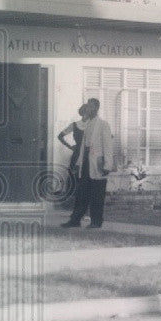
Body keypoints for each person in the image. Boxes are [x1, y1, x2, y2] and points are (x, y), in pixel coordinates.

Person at [61, 98, 114, 229]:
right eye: (87, 106)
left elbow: (108, 146)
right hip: (85, 163)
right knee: (81, 193)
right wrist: (78, 163)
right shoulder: (87, 125)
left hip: (98, 164)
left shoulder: (103, 125)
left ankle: (96, 222)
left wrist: (107, 165)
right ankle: (75, 220)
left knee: (97, 194)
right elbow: (83, 147)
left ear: (96, 108)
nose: (88, 109)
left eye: (90, 107)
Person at [57, 104, 94, 177]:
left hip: (89, 154)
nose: (86, 115)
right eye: (85, 112)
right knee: (74, 177)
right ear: (82, 112)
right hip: (77, 154)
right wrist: (70, 147)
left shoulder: (93, 125)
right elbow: (60, 136)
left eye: (88, 113)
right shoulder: (74, 125)